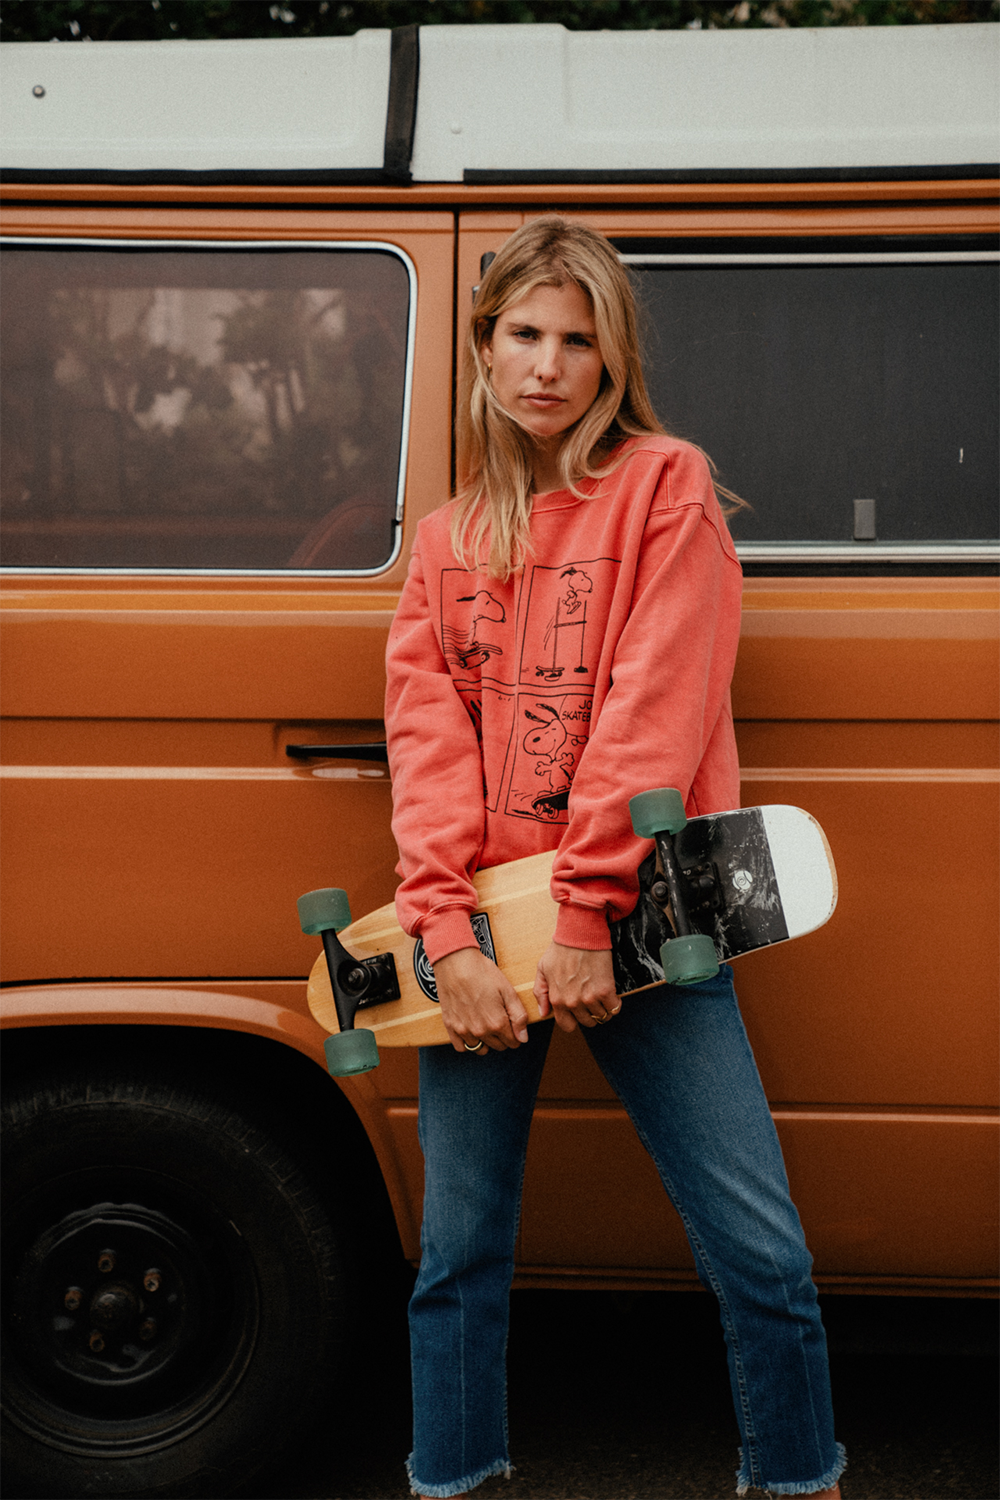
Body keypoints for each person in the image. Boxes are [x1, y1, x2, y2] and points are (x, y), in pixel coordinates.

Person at [384, 216, 846, 1500]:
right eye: (523, 334)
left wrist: (587, 918)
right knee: (457, 1258)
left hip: (650, 922)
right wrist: (447, 944)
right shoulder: (444, 544)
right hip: (479, 937)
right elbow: (430, 758)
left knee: (762, 1256)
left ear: (610, 359)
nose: (546, 364)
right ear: (482, 350)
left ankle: (801, 1482)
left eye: (576, 340)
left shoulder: (665, 486)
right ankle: (456, 1479)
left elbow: (657, 711)